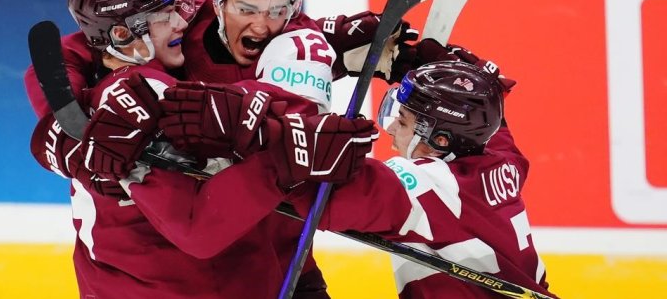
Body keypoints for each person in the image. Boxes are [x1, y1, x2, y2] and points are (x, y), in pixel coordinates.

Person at [28, 0, 379, 299]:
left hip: (268, 267)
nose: (184, 16)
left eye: (279, 5)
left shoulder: (198, 26)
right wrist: (65, 131)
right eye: (246, 6)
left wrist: (331, 46)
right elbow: (197, 226)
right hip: (151, 285)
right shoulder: (131, 102)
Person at [173, 41, 555, 298]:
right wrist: (465, 74)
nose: (390, 128)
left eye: (403, 121)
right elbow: (495, 118)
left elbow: (330, 196)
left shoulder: (430, 186)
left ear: (440, 140)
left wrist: (258, 138)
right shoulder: (499, 158)